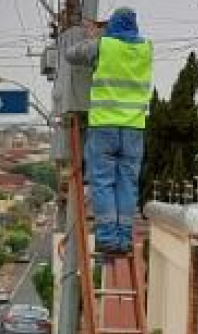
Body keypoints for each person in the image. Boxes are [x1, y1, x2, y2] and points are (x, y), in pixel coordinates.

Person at [66, 7, 154, 255]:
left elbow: (71, 55)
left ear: (112, 26)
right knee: (127, 184)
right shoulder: (147, 49)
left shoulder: (103, 46)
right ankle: (124, 239)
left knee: (102, 182)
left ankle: (107, 238)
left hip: (104, 126)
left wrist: (93, 36)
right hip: (134, 129)